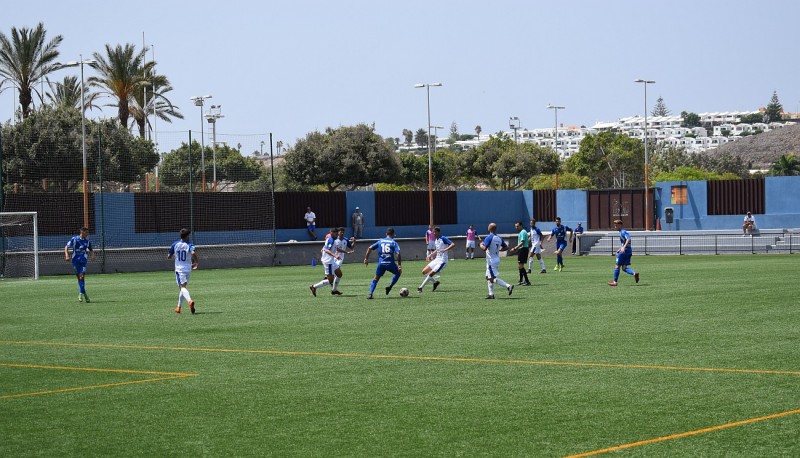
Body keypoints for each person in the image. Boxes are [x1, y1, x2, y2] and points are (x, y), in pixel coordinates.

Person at [363, 227, 402, 299]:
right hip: (390, 263)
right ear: (393, 234)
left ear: (386, 234)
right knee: (398, 272)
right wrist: (399, 265)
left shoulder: (380, 241)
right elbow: (398, 254)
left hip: (381, 264)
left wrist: (366, 259)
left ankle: (370, 293)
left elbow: (369, 248)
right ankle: (390, 286)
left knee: (376, 278)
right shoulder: (393, 242)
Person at [167, 228, 198, 314]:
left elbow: (169, 256)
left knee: (182, 288)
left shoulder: (175, 244)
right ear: (187, 236)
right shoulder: (189, 244)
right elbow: (193, 253)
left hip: (179, 269)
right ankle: (178, 307)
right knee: (183, 287)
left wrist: (172, 256)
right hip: (188, 269)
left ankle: (189, 301)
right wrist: (196, 262)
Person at [480, 223, 513, 299]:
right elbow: (506, 247)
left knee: (491, 278)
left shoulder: (489, 238)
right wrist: (498, 250)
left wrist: (481, 244)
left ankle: (508, 286)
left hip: (491, 260)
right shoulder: (499, 238)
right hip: (496, 259)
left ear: (490, 228)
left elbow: (484, 248)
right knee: (488, 277)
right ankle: (491, 294)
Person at [418, 226, 455, 293]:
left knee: (431, 274)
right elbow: (437, 250)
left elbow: (453, 244)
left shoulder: (443, 238)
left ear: (438, 232)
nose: (433, 233)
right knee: (424, 271)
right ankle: (435, 282)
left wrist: (445, 249)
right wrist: (430, 255)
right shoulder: (436, 240)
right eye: (433, 232)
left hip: (442, 261)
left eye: (435, 232)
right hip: (437, 259)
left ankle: (421, 288)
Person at [64, 226, 96, 303]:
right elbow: (66, 247)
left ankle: (81, 294)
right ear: (82, 232)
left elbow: (91, 250)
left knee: (81, 276)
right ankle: (84, 295)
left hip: (83, 261)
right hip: (75, 261)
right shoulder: (74, 239)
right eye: (86, 232)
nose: (87, 234)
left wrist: (93, 255)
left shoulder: (87, 241)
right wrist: (67, 255)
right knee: (79, 278)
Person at [310, 228, 341, 296]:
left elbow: (326, 248)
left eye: (337, 233)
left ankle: (334, 290)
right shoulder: (331, 240)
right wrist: (335, 255)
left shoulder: (333, 240)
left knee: (339, 274)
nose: (337, 234)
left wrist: (346, 252)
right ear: (331, 233)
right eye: (336, 233)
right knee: (330, 281)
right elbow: (327, 250)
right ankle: (314, 287)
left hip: (332, 261)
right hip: (328, 262)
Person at [608, 219, 640, 286]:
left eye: (616, 225)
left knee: (617, 265)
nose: (615, 227)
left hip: (624, 251)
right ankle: (634, 273)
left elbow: (628, 239)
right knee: (624, 268)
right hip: (628, 250)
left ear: (620, 225)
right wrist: (620, 248)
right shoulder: (622, 232)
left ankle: (615, 282)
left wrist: (623, 247)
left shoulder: (623, 232)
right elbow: (625, 242)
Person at [331, 227, 355, 294]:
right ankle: (332, 287)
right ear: (338, 232)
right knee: (336, 273)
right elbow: (336, 248)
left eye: (343, 232)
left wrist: (354, 242)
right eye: (340, 232)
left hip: (340, 259)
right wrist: (346, 252)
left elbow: (351, 247)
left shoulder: (345, 240)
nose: (342, 233)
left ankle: (334, 289)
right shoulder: (335, 240)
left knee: (337, 273)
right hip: (333, 257)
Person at [510, 221, 532, 286]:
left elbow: (522, 242)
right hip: (522, 249)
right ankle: (521, 280)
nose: (516, 227)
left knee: (521, 266)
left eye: (517, 226)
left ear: (521, 225)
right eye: (515, 226)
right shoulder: (523, 232)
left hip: (523, 249)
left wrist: (515, 248)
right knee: (519, 266)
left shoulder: (522, 232)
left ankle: (527, 281)